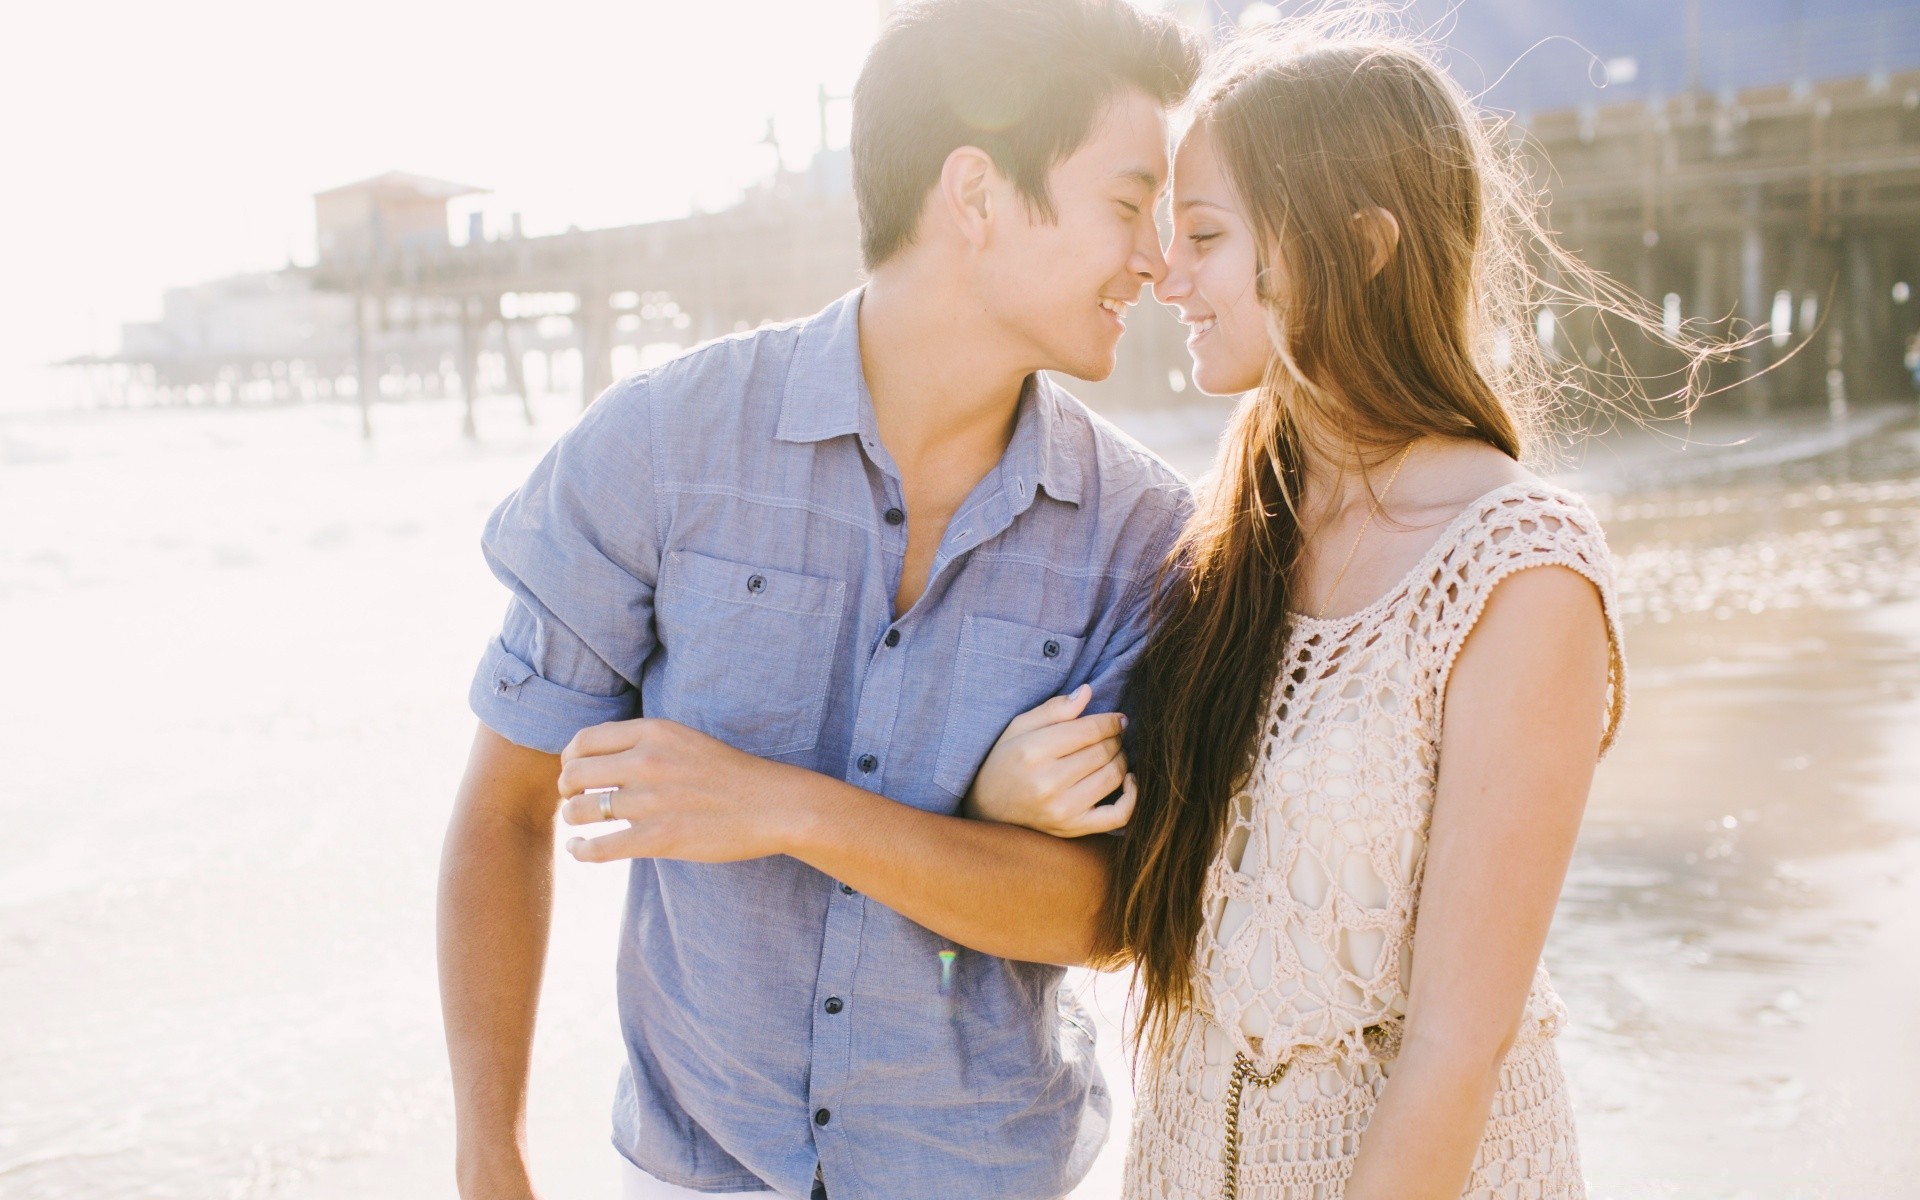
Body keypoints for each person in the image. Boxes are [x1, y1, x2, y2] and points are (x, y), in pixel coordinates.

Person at [436, 3, 1202, 1199]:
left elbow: (1104, 916)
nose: (1157, 258)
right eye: (1125, 202)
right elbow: (504, 812)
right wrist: (493, 1155)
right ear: (977, 193)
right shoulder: (661, 449)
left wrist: (786, 807)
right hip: (698, 1170)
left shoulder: (1142, 533)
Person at [969, 17, 1721, 1199]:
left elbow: (1452, 1051)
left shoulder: (1517, 571)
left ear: (1361, 245)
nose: (1167, 276)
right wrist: (1005, 793)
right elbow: (1159, 903)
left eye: (1207, 237)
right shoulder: (1228, 529)